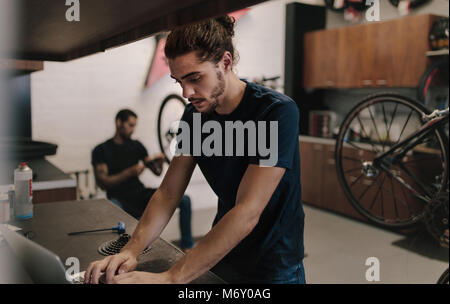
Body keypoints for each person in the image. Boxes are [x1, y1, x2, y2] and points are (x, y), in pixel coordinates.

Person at [85, 15, 305, 284]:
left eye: (195, 78)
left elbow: (247, 211)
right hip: (222, 255)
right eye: (179, 81)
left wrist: (170, 278)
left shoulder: (275, 112)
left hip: (273, 266)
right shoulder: (194, 117)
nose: (186, 92)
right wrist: (131, 250)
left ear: (225, 62)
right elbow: (168, 193)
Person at [91, 109, 194, 251]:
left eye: (134, 126)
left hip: (139, 193)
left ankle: (187, 246)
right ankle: (122, 251)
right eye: (130, 125)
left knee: (185, 200)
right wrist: (129, 172)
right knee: (117, 211)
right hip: (118, 197)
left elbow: (157, 172)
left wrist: (159, 161)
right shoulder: (102, 150)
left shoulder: (137, 146)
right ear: (119, 122)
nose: (133, 130)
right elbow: (103, 182)